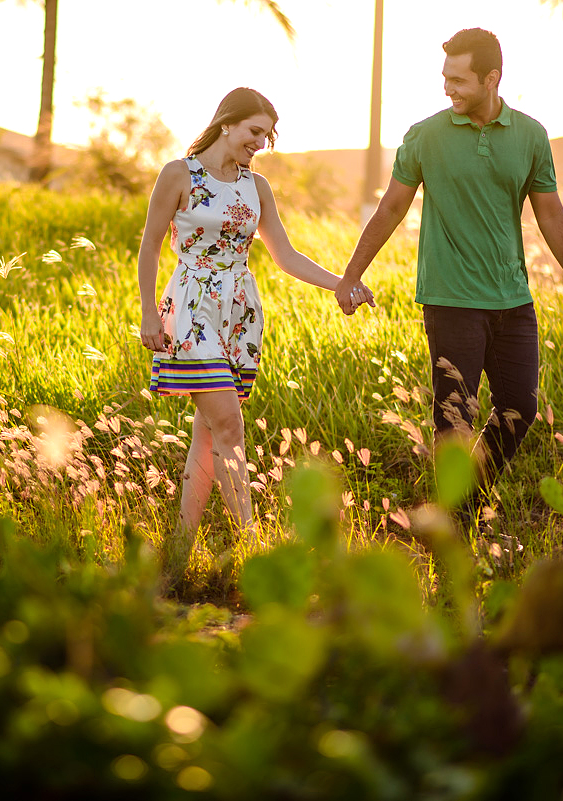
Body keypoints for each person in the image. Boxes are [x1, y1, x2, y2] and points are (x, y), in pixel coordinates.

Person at [334, 28, 563, 523]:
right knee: (455, 416)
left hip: (512, 299)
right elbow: (391, 208)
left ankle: (458, 511)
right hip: (451, 298)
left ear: (492, 78)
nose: (447, 89)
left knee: (520, 408)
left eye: (458, 80)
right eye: (444, 78)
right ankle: (456, 531)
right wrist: (351, 274)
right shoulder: (425, 136)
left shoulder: (531, 136)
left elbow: (551, 212)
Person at [138, 87, 375, 560]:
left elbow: (285, 257)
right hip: (192, 307)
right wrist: (148, 311)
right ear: (227, 123)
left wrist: (342, 283)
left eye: (266, 136)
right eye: (254, 132)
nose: (260, 143)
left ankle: (179, 550)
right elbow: (148, 248)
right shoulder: (178, 174)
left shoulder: (256, 186)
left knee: (209, 431)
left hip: (240, 313)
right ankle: (254, 545)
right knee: (229, 425)